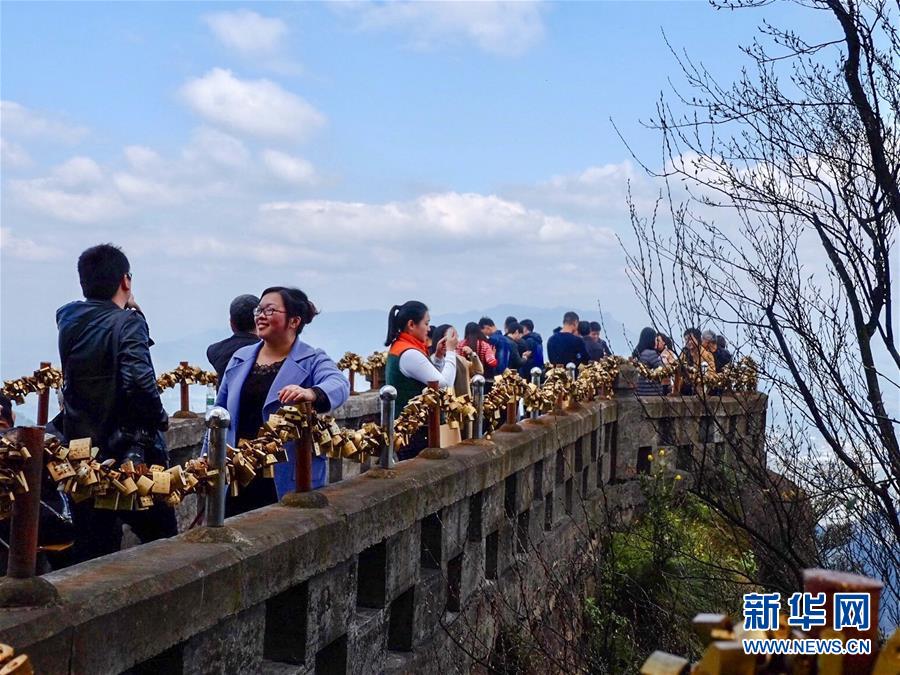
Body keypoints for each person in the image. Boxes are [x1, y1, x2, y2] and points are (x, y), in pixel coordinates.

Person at [56, 243, 175, 563]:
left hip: (81, 449)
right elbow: (138, 382)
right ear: (125, 281)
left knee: (93, 544)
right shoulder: (129, 323)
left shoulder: (67, 317)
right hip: (127, 452)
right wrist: (160, 417)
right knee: (164, 539)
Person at [213, 287, 349, 515]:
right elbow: (219, 413)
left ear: (294, 321)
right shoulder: (241, 358)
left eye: (270, 309)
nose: (260, 315)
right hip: (240, 473)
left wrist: (312, 393)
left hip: (286, 475)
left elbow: (339, 383)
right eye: (259, 309)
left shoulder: (311, 358)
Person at [386, 301, 459, 460]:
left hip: (411, 432)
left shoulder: (401, 347)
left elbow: (429, 378)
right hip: (416, 434)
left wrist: (439, 357)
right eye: (426, 323)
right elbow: (444, 384)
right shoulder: (409, 353)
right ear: (411, 324)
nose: (429, 328)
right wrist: (452, 353)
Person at [206, 294, 260, 386]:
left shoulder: (215, 351)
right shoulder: (266, 351)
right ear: (258, 321)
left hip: (227, 400)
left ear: (232, 323)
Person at [431, 324, 481, 397]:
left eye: (456, 336)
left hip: (465, 405)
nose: (456, 340)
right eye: (452, 337)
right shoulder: (434, 361)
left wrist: (472, 355)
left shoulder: (459, 359)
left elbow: (478, 371)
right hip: (449, 405)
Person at [676, 327, 716, 395]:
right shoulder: (684, 353)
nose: (688, 342)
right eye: (686, 340)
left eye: (690, 339)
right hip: (684, 389)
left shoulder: (706, 355)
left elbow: (712, 374)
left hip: (700, 390)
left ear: (697, 339)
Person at [633, 327, 664, 396]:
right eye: (656, 339)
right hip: (651, 392)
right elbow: (662, 370)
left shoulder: (638, 353)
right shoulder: (650, 354)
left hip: (640, 391)